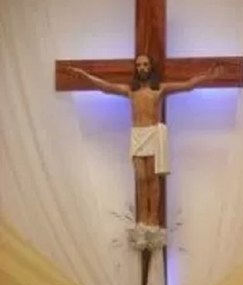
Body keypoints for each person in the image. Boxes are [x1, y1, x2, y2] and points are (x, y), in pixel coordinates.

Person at [68, 56, 222, 226]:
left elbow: (187, 85)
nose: (142, 67)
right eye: (139, 65)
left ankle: (153, 217)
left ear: (150, 67)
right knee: (141, 178)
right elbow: (107, 87)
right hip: (137, 135)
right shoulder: (131, 91)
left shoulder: (160, 89)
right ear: (136, 69)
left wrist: (208, 76)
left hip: (153, 133)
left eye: (145, 64)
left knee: (152, 178)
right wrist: (84, 75)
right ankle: (142, 218)